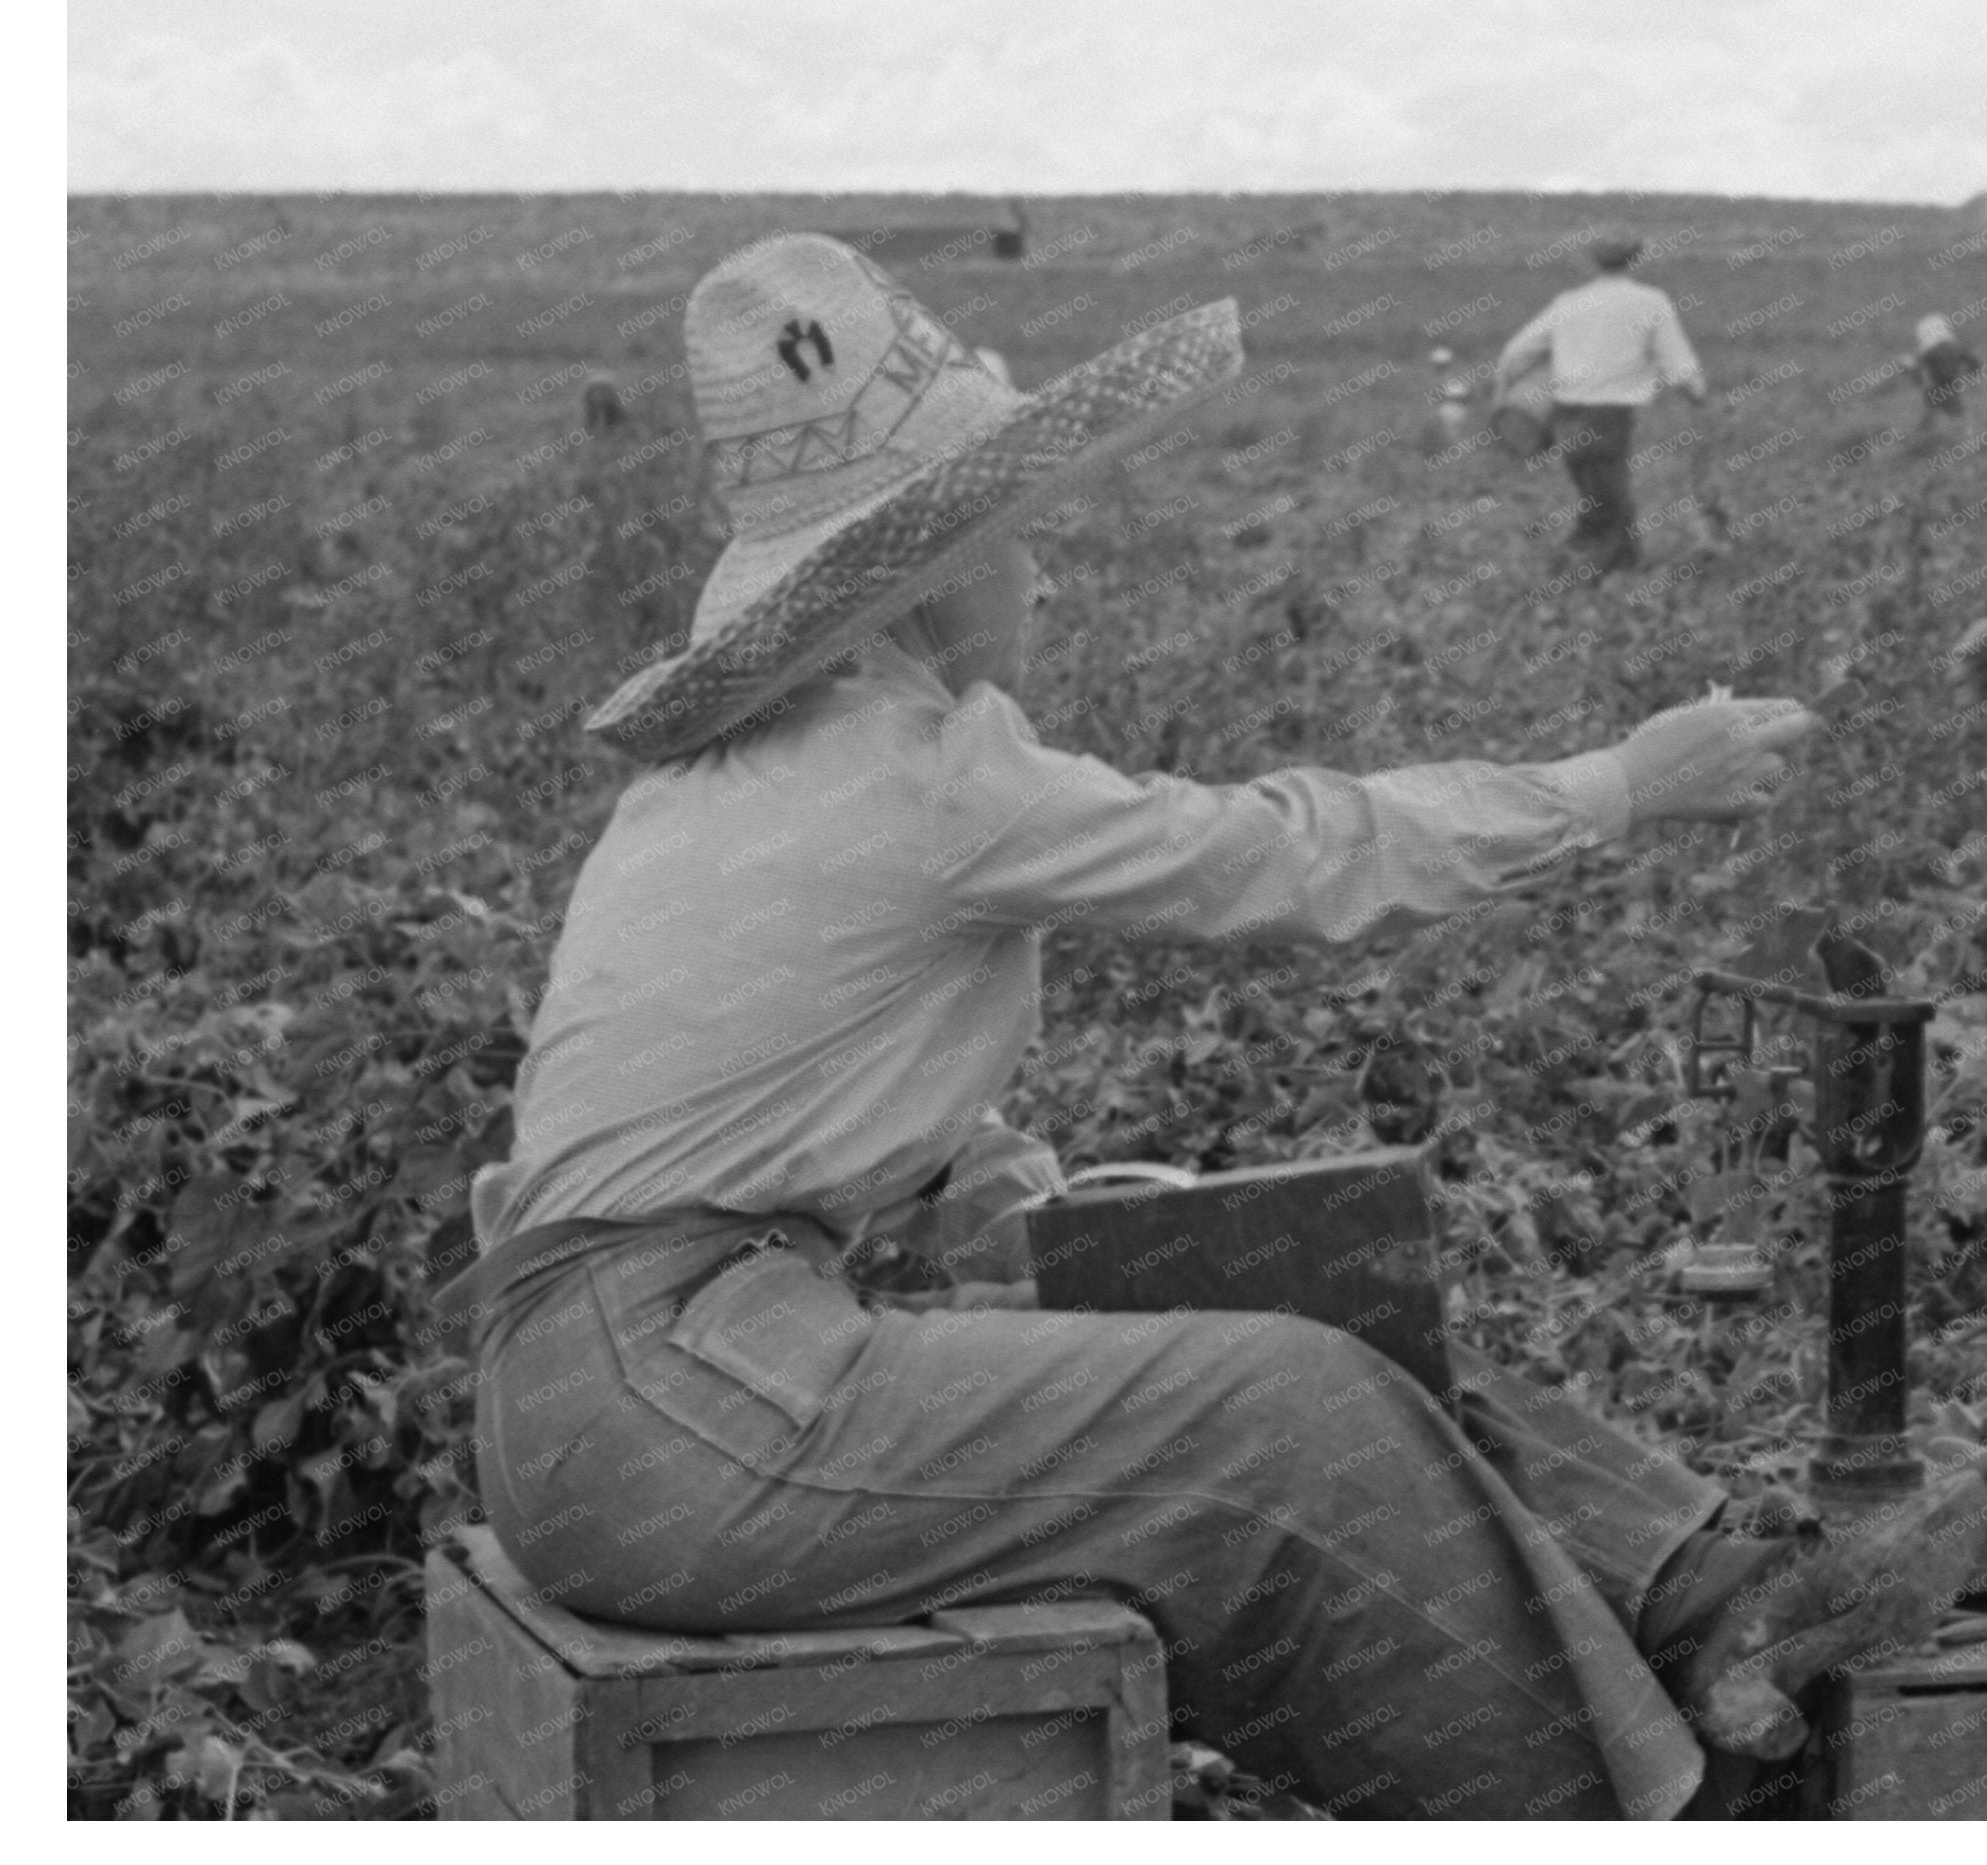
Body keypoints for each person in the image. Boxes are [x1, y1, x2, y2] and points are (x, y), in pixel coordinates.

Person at [447, 234, 1877, 1820]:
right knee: (1283, 1412)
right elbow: (1286, 849)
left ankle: (1702, 1584)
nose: (1043, 575)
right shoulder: (922, 770)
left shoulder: (750, 771)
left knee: (1298, 1300)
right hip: (678, 1414)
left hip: (657, 1387)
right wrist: (1618, 783)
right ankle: (1639, 1812)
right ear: (923, 580)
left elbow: (804, 1098)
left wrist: (1049, 1222)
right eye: (1017, 541)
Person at [1494, 231, 1704, 573]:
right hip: (1610, 416)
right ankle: (1585, 571)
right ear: (1635, 259)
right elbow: (1678, 364)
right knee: (1609, 499)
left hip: (1564, 414)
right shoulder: (1650, 301)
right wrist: (1696, 391)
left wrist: (1504, 391)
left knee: (1600, 494)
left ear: (1594, 260)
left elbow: (1515, 353)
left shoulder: (1569, 301)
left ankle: (1610, 569)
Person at [1903, 313, 1983, 431]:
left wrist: (1916, 378)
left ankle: (1930, 436)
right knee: (1954, 412)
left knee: (1936, 413)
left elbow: (1915, 367)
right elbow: (1975, 364)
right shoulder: (1955, 348)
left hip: (1937, 387)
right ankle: (1964, 434)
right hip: (1950, 385)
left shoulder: (1928, 351)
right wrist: (1969, 378)